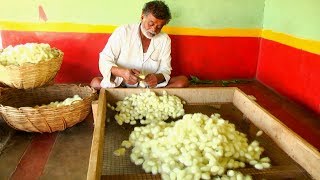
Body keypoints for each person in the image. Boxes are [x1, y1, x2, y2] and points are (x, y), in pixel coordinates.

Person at [90, 0, 189, 89]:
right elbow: (105, 59)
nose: (154, 29)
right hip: (121, 84)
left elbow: (165, 69)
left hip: (149, 87)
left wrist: (156, 78)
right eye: (151, 23)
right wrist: (123, 73)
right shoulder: (123, 31)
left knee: (182, 81)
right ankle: (125, 93)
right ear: (142, 16)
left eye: (159, 27)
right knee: (95, 83)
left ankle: (155, 95)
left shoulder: (164, 40)